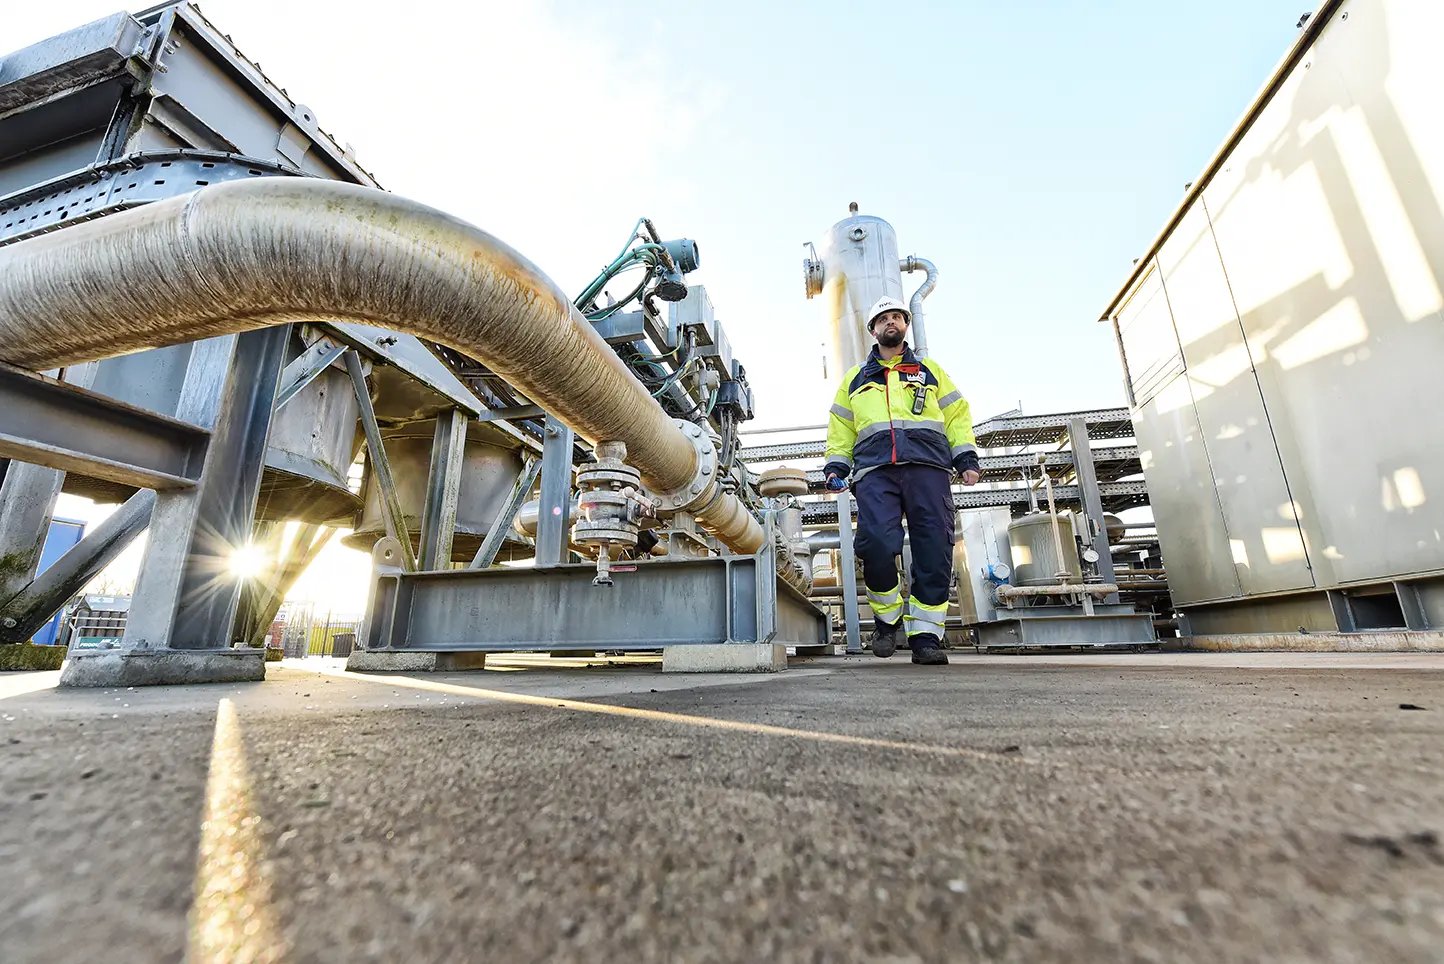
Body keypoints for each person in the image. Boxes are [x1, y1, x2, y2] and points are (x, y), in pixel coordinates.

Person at [823, 296, 980, 665]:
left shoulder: (930, 371)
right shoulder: (855, 380)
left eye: (897, 317)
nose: (890, 323)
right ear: (873, 329)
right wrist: (835, 466)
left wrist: (966, 457)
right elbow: (841, 428)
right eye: (883, 319)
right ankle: (887, 618)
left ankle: (926, 635)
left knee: (934, 547)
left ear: (906, 325)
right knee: (875, 542)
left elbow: (957, 414)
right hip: (875, 471)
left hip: (928, 468)